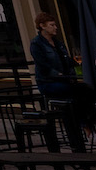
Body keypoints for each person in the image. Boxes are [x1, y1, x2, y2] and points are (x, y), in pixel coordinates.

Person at [29, 15, 86, 149]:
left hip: (65, 81)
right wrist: (59, 75)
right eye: (52, 25)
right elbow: (43, 65)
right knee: (75, 96)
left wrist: (78, 68)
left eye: (55, 25)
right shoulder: (37, 43)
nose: (56, 28)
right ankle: (83, 127)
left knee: (85, 91)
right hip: (48, 83)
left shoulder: (58, 43)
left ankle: (85, 125)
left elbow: (68, 61)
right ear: (42, 26)